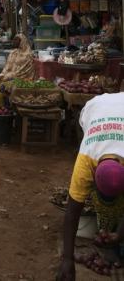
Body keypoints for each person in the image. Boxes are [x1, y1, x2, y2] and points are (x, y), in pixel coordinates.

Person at [58, 92, 124, 280]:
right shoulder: (86, 160)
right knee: (102, 201)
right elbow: (72, 211)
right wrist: (67, 260)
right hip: (96, 107)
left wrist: (119, 235)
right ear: (93, 175)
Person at [0, 33, 35, 105]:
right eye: (14, 39)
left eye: (16, 40)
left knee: (3, 87)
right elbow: (7, 67)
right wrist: (2, 75)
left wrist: (8, 77)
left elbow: (23, 71)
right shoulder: (13, 53)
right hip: (10, 77)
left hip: (23, 79)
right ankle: (1, 107)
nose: (13, 42)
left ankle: (8, 108)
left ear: (22, 42)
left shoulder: (28, 55)